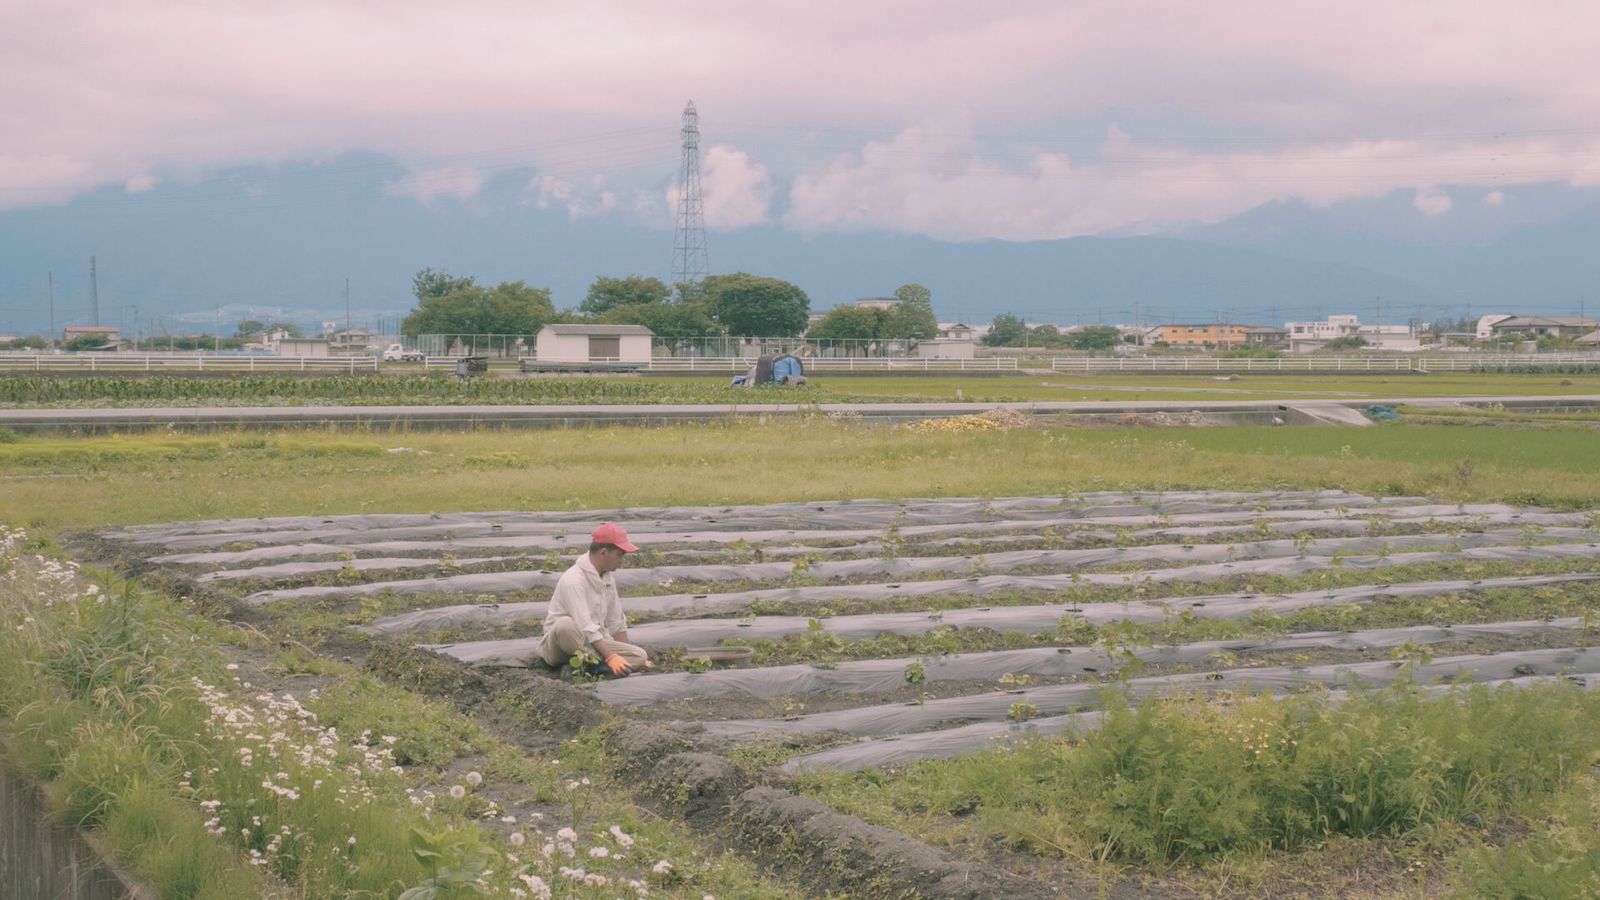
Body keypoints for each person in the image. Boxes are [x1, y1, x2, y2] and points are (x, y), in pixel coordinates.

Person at [535, 522, 653, 676]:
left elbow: (616, 622)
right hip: (561, 646)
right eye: (619, 554)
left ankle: (588, 666)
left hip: (591, 644)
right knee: (565, 625)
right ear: (604, 552)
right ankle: (591, 665)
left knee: (640, 656)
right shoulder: (574, 580)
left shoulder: (608, 579)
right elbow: (585, 625)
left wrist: (627, 655)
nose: (621, 560)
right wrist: (611, 656)